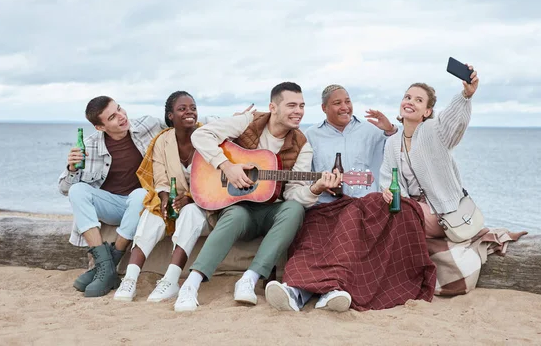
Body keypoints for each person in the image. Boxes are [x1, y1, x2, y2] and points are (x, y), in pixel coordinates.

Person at [172, 82, 340, 312]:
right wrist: (227, 166)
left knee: (294, 209)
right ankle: (191, 284)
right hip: (237, 206)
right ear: (273, 106)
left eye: (301, 106)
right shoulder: (247, 122)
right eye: (291, 105)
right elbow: (201, 135)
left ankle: (249, 279)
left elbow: (293, 193)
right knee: (235, 216)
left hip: (272, 211)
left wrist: (316, 188)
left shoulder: (302, 146)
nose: (298, 111)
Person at [265, 84, 398, 312]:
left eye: (347, 101)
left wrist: (390, 130)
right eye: (337, 103)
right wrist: (318, 186)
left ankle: (330, 290)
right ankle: (294, 290)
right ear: (324, 108)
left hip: (363, 206)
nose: (345, 107)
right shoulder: (310, 136)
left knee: (345, 232)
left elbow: (401, 149)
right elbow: (303, 177)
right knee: (309, 243)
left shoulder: (371, 131)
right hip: (324, 207)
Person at [112, 91, 214, 305]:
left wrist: (190, 198)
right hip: (176, 202)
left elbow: (215, 182)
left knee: (189, 211)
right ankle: (130, 279)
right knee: (154, 210)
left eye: (193, 108)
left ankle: (171, 280)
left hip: (204, 208)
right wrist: (166, 198)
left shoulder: (208, 137)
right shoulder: (162, 141)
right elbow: (160, 178)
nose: (189, 112)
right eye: (182, 109)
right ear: (170, 116)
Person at [58, 96, 165, 297]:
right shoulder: (89, 146)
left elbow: (181, 119)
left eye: (120, 109)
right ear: (100, 127)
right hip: (113, 206)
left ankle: (108, 265)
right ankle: (106, 267)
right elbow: (64, 189)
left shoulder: (147, 125)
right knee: (76, 190)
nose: (122, 117)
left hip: (141, 202)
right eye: (113, 117)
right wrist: (72, 168)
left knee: (141, 194)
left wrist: (235, 118)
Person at [380, 66, 479, 238]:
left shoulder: (434, 130)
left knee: (401, 218)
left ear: (427, 111)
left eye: (418, 100)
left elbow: (452, 121)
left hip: (442, 212)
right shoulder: (393, 142)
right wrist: (389, 191)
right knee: (375, 204)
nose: (410, 102)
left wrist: (465, 96)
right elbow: (387, 176)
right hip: (410, 207)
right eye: (407, 97)